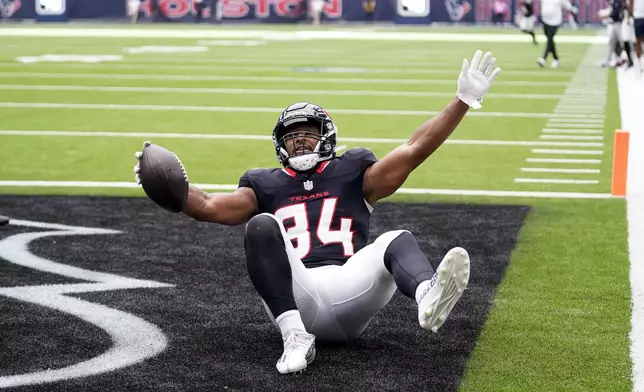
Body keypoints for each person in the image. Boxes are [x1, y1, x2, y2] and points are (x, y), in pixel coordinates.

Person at [134, 51, 501, 374]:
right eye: (292, 136)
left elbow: (414, 148)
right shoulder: (264, 184)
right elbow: (208, 206)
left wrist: (462, 100)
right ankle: (294, 338)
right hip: (298, 295)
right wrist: (165, 185)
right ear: (280, 145)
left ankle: (427, 295)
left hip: (351, 290)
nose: (300, 140)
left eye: (307, 133)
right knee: (261, 225)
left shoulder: (354, 170)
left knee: (396, 238)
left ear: (326, 136)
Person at [537, 0, 578, 68]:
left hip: (555, 21)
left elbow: (567, 6)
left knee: (550, 39)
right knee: (550, 40)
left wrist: (572, 10)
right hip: (545, 20)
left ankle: (543, 59)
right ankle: (556, 59)